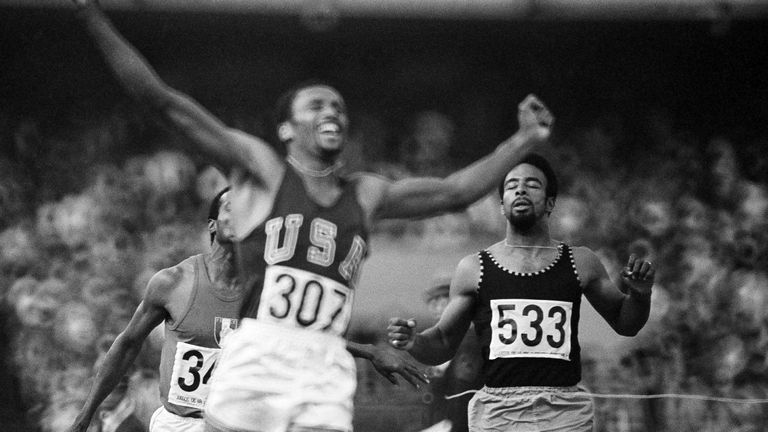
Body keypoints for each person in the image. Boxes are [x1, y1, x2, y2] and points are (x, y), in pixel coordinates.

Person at [71, 1, 554, 430]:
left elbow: (453, 193)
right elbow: (161, 101)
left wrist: (524, 140)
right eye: (317, 104)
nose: (333, 111)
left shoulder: (365, 192)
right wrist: (90, 12)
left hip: (323, 361)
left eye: (340, 107)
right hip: (260, 350)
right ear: (286, 128)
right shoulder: (261, 170)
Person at [67, 189, 423, 432]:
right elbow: (126, 345)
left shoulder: (268, 285)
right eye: (230, 207)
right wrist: (86, 414)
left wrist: (371, 351)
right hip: (181, 423)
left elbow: (307, 336)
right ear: (212, 225)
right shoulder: (172, 282)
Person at [388, 154, 656, 432]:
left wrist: (640, 295)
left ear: (551, 202)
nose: (520, 189)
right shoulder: (474, 269)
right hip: (499, 414)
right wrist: (413, 342)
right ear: (502, 205)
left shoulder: (581, 262)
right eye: (512, 185)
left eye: (532, 184)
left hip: (564, 413)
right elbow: (443, 341)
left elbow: (626, 323)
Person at [421, 273, 483, 432]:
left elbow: (464, 398)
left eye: (443, 300)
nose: (437, 307)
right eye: (432, 301)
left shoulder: (468, 342)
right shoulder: (444, 341)